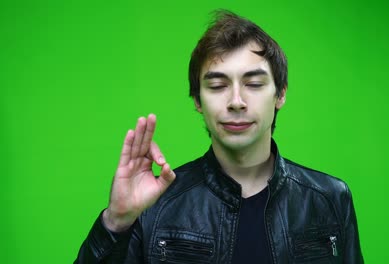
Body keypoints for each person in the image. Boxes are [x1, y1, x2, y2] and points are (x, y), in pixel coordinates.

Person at [74, 10, 364, 264]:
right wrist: (115, 223)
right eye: (217, 85)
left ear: (280, 94)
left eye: (253, 83)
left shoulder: (330, 199)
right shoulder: (155, 205)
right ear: (197, 100)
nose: (236, 101)